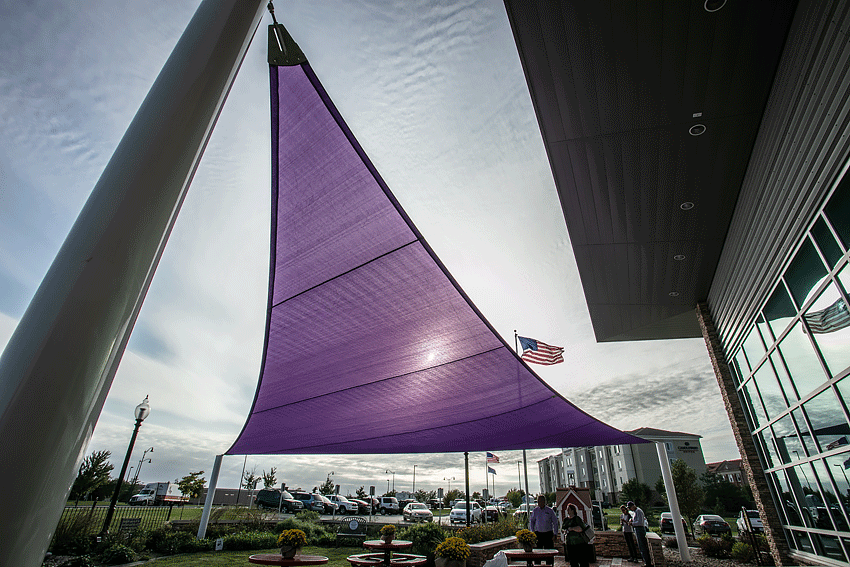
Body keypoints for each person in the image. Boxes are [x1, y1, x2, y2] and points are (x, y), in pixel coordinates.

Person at [529, 495, 559, 565]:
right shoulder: (535, 511)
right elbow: (532, 521)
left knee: (549, 552)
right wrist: (532, 532)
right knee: (537, 552)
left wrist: (555, 533)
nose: (539, 503)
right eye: (538, 501)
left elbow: (555, 522)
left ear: (544, 501)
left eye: (541, 501)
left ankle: (550, 565)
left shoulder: (550, 511)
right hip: (538, 534)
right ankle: (537, 565)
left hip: (548, 534)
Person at [563, 503, 590, 567]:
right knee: (573, 561)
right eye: (567, 509)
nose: (568, 511)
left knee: (583, 561)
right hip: (570, 543)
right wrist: (565, 531)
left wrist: (572, 528)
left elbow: (581, 528)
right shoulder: (566, 520)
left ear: (573, 510)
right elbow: (563, 528)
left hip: (579, 543)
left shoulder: (577, 519)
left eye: (569, 509)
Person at [628, 501, 653, 567]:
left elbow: (640, 522)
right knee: (640, 546)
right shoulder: (635, 512)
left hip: (640, 529)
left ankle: (647, 563)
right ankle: (645, 561)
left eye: (630, 507)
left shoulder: (639, 511)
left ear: (633, 506)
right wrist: (631, 520)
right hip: (637, 529)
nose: (630, 509)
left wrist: (632, 523)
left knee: (643, 546)